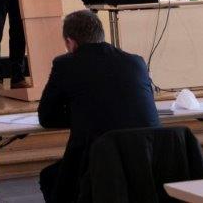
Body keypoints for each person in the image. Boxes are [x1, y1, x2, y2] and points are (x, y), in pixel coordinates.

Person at [38, 10, 159, 203]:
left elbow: (47, 117)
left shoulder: (65, 64)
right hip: (148, 161)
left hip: (96, 163)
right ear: (101, 35)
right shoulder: (135, 61)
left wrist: (81, 113)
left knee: (50, 177)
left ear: (70, 42)